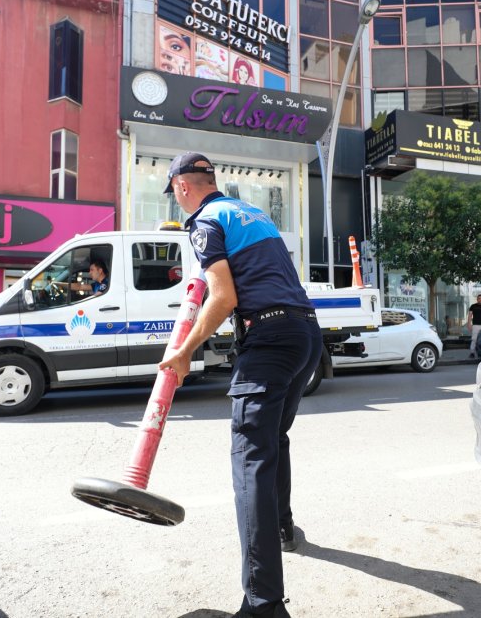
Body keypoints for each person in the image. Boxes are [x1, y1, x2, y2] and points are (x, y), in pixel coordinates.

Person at [158, 152, 321, 618]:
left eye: (174, 193)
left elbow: (223, 296)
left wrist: (185, 350)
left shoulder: (204, 222)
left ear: (182, 188)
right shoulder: (251, 213)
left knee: (251, 460)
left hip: (268, 339)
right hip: (304, 334)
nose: (175, 200)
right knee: (274, 440)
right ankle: (285, 528)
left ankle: (263, 604)